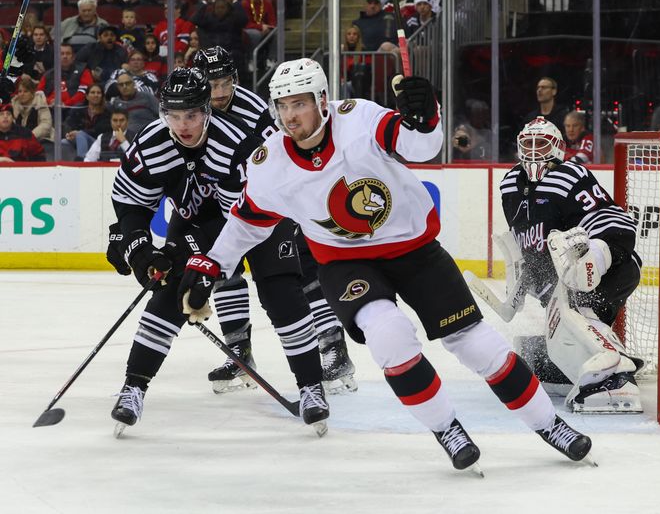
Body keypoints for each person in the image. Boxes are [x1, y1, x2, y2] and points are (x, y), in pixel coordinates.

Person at [178, 58, 593, 472]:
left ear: (322, 100)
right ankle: (445, 427)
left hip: (415, 250)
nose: (290, 115)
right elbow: (246, 224)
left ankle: (548, 423)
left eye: (299, 103)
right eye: (282, 105)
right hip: (345, 263)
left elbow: (424, 146)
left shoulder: (358, 119)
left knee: (475, 342)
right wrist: (210, 266)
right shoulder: (270, 165)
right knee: (389, 335)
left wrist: (425, 114)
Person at [107, 68, 328, 435]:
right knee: (169, 287)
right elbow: (131, 203)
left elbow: (240, 223)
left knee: (280, 292)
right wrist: (138, 247)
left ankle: (311, 386)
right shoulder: (150, 144)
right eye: (173, 116)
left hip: (261, 216)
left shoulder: (238, 144)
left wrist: (201, 264)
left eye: (191, 115)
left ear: (207, 110)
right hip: (198, 218)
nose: (182, 126)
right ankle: (133, 387)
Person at [191, 47, 357, 393]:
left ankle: (334, 348)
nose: (219, 92)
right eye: (212, 84)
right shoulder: (194, 111)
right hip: (226, 208)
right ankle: (238, 351)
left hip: (272, 206)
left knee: (303, 275)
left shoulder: (255, 109)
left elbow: (284, 158)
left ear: (235, 79)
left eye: (225, 82)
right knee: (225, 272)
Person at [498, 117, 643, 413]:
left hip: (612, 268)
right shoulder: (510, 185)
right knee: (561, 328)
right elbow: (529, 243)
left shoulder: (569, 175)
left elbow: (615, 225)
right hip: (561, 283)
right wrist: (527, 278)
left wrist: (596, 259)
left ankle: (615, 375)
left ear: (558, 148)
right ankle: (586, 361)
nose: (535, 151)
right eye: (529, 143)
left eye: (542, 144)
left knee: (581, 307)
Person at [63, 83, 111, 161]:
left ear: (102, 96)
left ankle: (82, 163)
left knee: (81, 135)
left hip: (98, 142)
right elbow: (68, 124)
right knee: (64, 142)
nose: (96, 95)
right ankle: (67, 168)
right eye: (92, 92)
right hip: (79, 139)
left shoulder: (107, 111)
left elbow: (100, 130)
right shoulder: (78, 108)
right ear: (87, 96)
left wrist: (79, 133)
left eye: (98, 93)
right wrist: (69, 134)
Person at [37, 43, 94, 108]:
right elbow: (39, 94)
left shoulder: (83, 71)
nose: (65, 56)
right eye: (62, 54)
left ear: (73, 57)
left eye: (68, 53)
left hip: (74, 109)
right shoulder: (48, 74)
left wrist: (66, 104)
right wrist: (50, 102)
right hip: (50, 108)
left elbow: (84, 93)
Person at [108, 71, 159, 135]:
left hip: (148, 136)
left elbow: (163, 114)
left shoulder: (147, 97)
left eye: (128, 83)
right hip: (125, 139)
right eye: (121, 84)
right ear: (118, 87)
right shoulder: (115, 103)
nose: (124, 86)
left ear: (134, 84)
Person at [11, 75, 54, 146]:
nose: (22, 94)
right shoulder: (14, 105)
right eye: (20, 91)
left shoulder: (40, 103)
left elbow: (46, 125)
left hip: (42, 140)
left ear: (32, 93)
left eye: (25, 91)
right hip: (18, 142)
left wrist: (29, 136)